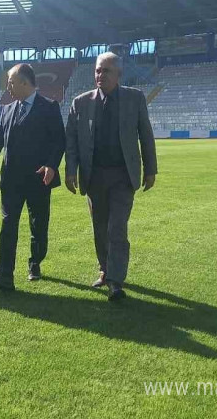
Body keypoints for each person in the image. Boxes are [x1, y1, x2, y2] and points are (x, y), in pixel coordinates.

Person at [64, 52, 158, 302]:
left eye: (105, 71)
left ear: (118, 74)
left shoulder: (134, 99)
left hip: (122, 176)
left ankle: (116, 281)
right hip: (94, 177)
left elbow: (145, 135)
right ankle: (104, 270)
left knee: (117, 228)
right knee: (100, 228)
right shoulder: (80, 103)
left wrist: (150, 169)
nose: (100, 75)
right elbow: (71, 140)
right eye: (97, 70)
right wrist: (70, 170)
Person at [0, 64, 66, 291]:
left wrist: (51, 165)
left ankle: (35, 263)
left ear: (25, 83)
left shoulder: (49, 107)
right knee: (8, 226)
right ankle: (4, 276)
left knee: (38, 225)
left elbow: (59, 141)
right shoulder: (7, 110)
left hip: (39, 179)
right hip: (11, 182)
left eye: (11, 82)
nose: (7, 87)